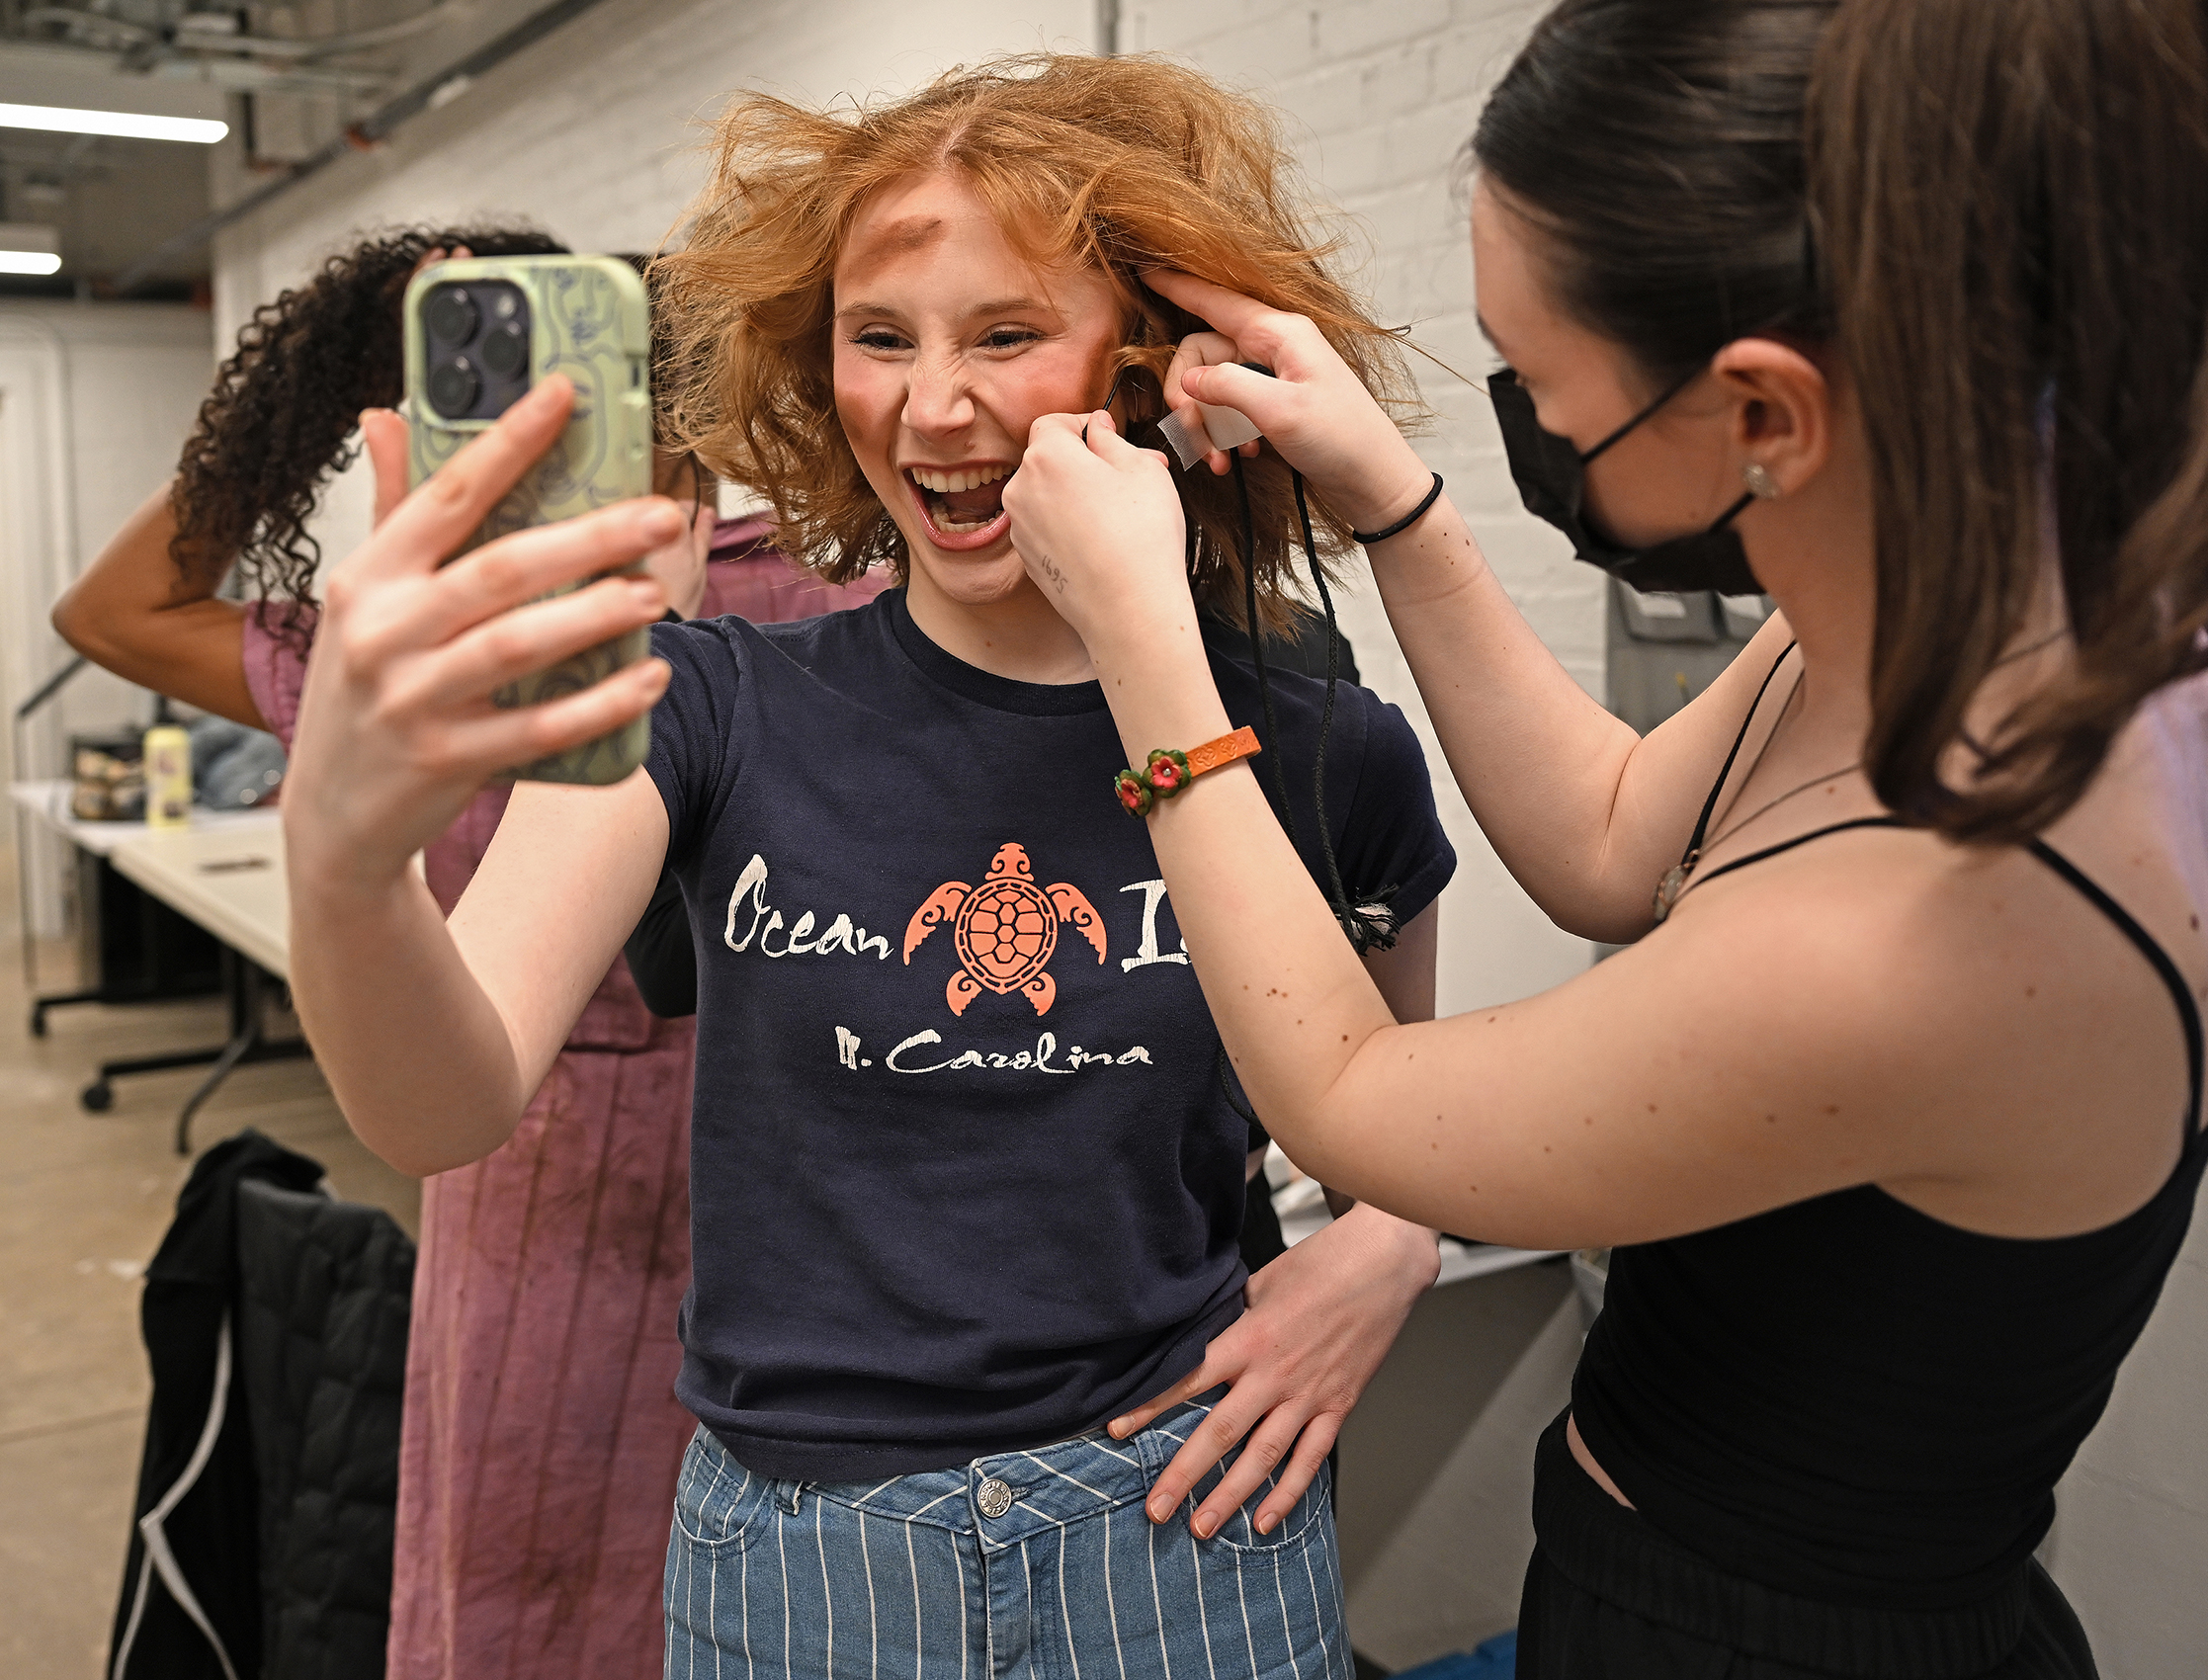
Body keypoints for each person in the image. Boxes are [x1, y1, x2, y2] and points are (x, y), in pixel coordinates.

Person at [999, 1, 2208, 1675]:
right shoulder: (1977, 578)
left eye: (1540, 385)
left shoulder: (1935, 925)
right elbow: (1612, 839)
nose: (1524, 417)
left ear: (1765, 411)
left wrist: (1146, 649)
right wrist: (1393, 500)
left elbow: (1361, 1110)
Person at [278, 54, 1457, 1678]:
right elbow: (443, 1102)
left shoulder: (1328, 749)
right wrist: (346, 865)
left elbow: (1410, 1100)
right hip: (802, 1558)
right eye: (880, 337)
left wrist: (1391, 1241)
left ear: (1141, 369)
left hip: (1185, 1521)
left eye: (1006, 335)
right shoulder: (710, 705)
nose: (934, 408)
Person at [50, 225, 876, 1680]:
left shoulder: (810, 591)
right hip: (526, 1165)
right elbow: (107, 618)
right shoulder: (420, 631)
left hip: (784, 1177)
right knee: (526, 1585)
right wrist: (325, 383)